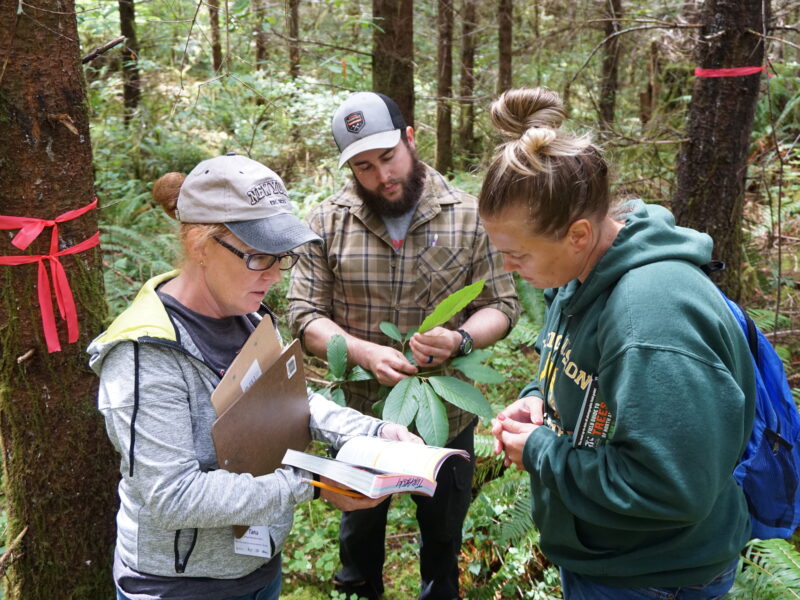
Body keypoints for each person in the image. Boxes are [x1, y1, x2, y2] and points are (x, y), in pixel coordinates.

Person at [88, 153, 420, 600]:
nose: (275, 276)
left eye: (281, 257)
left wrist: (373, 431)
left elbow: (287, 399)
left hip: (259, 567)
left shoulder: (247, 315)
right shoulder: (144, 355)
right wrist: (316, 484)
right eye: (258, 256)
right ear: (200, 246)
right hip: (181, 586)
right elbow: (172, 495)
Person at [482, 88, 756, 599]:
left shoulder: (651, 323)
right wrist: (538, 398)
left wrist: (542, 451)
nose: (508, 269)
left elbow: (671, 487)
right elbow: (576, 367)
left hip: (652, 576)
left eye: (516, 254)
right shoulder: (582, 271)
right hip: (607, 557)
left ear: (578, 233)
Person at [287, 91, 520, 600]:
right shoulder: (326, 223)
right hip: (361, 419)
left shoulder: (469, 215)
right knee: (359, 536)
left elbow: (502, 305)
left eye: (388, 157)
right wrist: (363, 352)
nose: (381, 176)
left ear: (410, 139)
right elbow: (304, 315)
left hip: (447, 416)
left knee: (443, 536)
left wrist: (459, 339)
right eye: (364, 166)